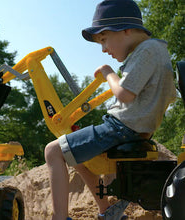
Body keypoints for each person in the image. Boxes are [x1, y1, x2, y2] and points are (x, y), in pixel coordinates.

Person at [44, 0, 176, 219]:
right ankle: (107, 211)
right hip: (136, 129)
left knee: (53, 151)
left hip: (121, 127)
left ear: (125, 30)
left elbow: (124, 94)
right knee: (75, 155)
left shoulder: (147, 51)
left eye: (104, 40)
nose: (104, 49)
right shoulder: (159, 51)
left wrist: (108, 73)